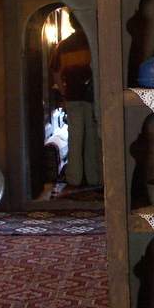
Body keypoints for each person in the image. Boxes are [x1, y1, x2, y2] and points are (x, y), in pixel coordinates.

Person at [49, 14, 101, 187]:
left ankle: (74, 178)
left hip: (72, 96)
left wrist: (64, 93)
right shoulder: (94, 43)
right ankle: (94, 178)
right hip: (92, 97)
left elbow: (56, 73)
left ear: (71, 23)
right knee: (92, 138)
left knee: (75, 138)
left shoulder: (63, 46)